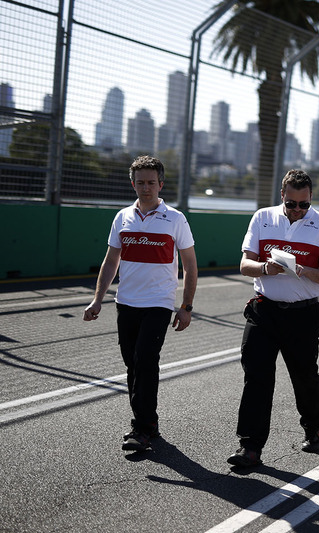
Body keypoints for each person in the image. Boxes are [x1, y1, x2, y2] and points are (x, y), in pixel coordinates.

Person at [227, 169, 319, 468]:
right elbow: (244, 264)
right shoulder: (262, 218)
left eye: (303, 204)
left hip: (302, 314)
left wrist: (303, 270)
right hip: (263, 310)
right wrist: (266, 268)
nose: (297, 210)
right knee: (256, 377)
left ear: (311, 199)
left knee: (304, 377)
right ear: (282, 196)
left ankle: (312, 424)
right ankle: (250, 447)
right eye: (292, 204)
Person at [83, 155, 197, 452]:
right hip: (126, 303)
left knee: (145, 360)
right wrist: (98, 300)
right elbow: (110, 262)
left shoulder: (175, 219)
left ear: (161, 184)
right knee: (132, 364)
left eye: (151, 182)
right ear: (132, 183)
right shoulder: (122, 217)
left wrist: (186, 307)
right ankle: (148, 421)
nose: (146, 188)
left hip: (159, 304)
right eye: (140, 182)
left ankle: (142, 428)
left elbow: (190, 266)